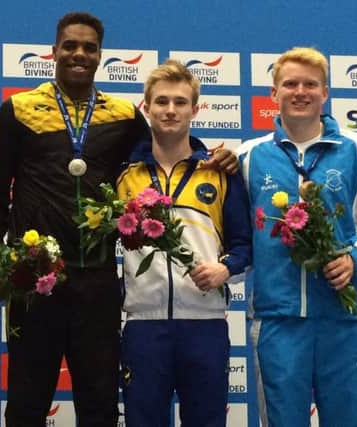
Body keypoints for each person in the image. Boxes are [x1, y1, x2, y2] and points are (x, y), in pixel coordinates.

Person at [0, 12, 238, 427]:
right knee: (27, 402)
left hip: (97, 284)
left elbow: (166, 147)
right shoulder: (18, 110)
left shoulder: (121, 115)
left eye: (89, 47)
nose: (79, 54)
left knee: (99, 404)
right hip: (34, 280)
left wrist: (213, 156)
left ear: (100, 55)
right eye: (70, 46)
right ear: (54, 51)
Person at [237, 47, 357, 427]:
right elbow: (237, 237)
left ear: (324, 93)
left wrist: (355, 258)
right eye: (290, 84)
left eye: (310, 84)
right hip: (278, 319)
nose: (300, 92)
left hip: (344, 318)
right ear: (273, 93)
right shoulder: (249, 157)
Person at [116, 59, 252, 427]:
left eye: (180, 102)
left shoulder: (220, 172)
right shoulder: (125, 176)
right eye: (161, 102)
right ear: (146, 107)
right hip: (144, 326)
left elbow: (244, 245)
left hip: (205, 325)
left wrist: (225, 269)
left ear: (195, 108)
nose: (170, 110)